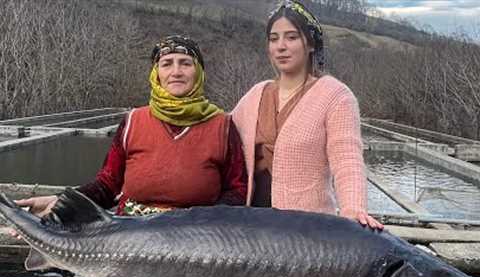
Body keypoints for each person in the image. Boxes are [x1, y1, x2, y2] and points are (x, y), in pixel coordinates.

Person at [16, 35, 247, 217]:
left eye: (185, 63)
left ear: (198, 73)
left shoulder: (222, 125)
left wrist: (206, 220)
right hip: (129, 232)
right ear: (156, 74)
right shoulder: (133, 121)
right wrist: (62, 202)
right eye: (166, 64)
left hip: (195, 236)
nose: (176, 72)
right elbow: (107, 185)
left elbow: (237, 190)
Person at [231, 0, 383, 229]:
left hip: (308, 230)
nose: (280, 46)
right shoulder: (256, 95)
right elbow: (220, 135)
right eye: (274, 39)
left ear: (311, 43)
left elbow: (347, 160)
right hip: (253, 228)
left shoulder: (335, 96)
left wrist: (353, 210)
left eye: (291, 37)